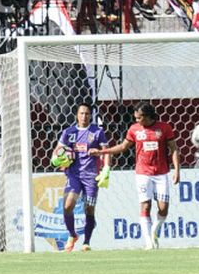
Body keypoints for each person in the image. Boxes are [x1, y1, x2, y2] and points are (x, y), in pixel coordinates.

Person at [89, 103, 180, 250]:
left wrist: (177, 170)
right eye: (135, 117)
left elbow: (174, 149)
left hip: (161, 173)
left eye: (139, 118)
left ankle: (154, 232)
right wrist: (101, 152)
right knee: (145, 205)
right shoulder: (134, 129)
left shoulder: (164, 128)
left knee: (163, 208)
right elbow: (123, 147)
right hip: (142, 173)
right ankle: (148, 242)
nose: (136, 120)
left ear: (148, 116)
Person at [51, 103, 111, 252]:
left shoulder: (97, 132)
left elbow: (106, 151)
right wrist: (55, 159)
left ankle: (87, 242)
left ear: (91, 116)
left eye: (87, 114)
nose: (84, 116)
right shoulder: (68, 132)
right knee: (67, 206)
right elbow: (57, 150)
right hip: (74, 175)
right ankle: (72, 234)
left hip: (91, 176)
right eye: (82, 113)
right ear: (77, 115)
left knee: (89, 209)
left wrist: (106, 168)